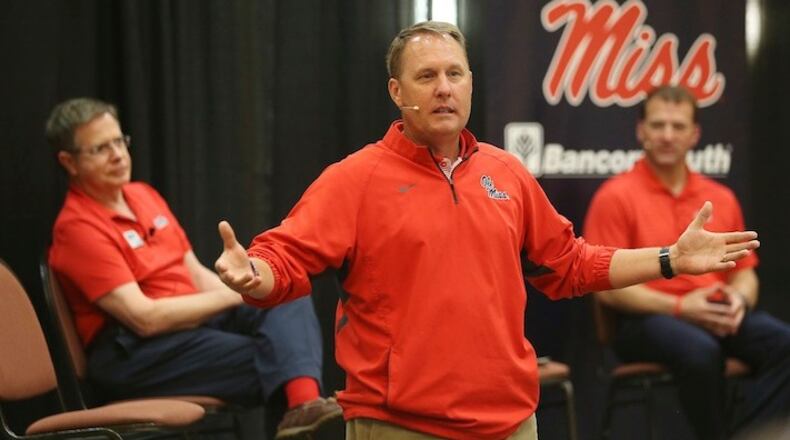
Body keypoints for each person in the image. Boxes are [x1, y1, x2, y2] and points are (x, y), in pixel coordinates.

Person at [215, 22, 759, 440]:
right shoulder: (356, 179)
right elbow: (285, 259)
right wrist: (254, 274)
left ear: (471, 84)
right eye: (427, 77)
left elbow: (571, 264)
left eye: (455, 74)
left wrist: (670, 259)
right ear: (397, 91)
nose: (443, 89)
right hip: (399, 424)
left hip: (511, 422)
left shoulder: (507, 173)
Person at [45, 97, 342, 439]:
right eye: (100, 149)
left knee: (281, 290)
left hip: (189, 328)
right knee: (281, 359)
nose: (118, 155)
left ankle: (302, 411)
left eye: (119, 142)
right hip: (134, 352)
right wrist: (241, 294)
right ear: (69, 162)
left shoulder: (143, 195)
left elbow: (196, 276)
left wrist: (251, 284)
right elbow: (144, 318)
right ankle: (302, 410)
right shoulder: (77, 228)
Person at [584, 85, 790, 439]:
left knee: (784, 344)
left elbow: (745, 274)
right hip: (646, 318)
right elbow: (607, 287)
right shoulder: (614, 196)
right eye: (658, 125)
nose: (667, 135)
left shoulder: (720, 197)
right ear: (641, 131)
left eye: (678, 126)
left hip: (714, 314)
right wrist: (681, 307)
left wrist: (739, 300)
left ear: (694, 134)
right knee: (700, 351)